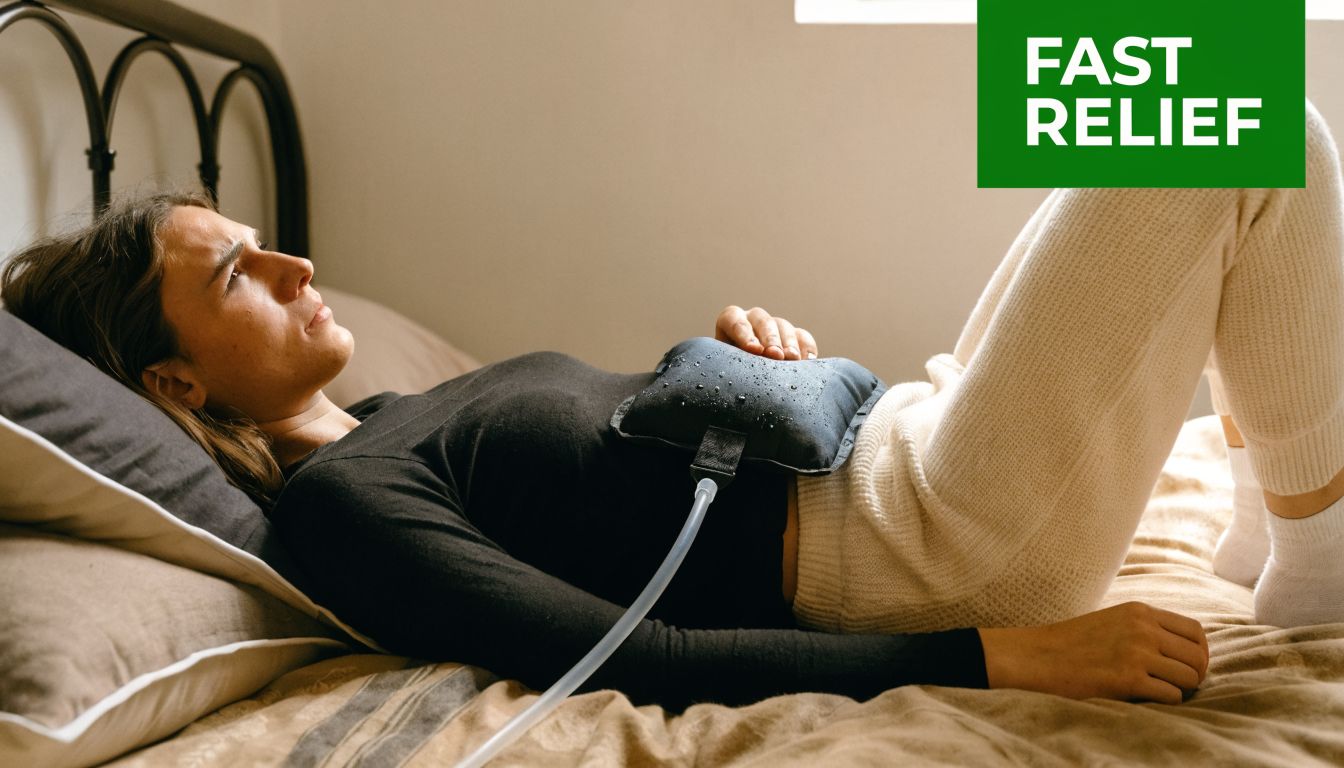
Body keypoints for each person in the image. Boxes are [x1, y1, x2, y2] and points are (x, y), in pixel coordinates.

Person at [7, 102, 1342, 712]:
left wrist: (735, 372)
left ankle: (1278, 538)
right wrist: (998, 658)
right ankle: (1319, 555)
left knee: (1252, 126)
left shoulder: (397, 416)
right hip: (935, 543)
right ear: (174, 382)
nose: (298, 267)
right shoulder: (344, 510)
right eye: (238, 275)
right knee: (1232, 114)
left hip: (895, 442)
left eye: (263, 243)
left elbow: (617, 497)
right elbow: (631, 657)